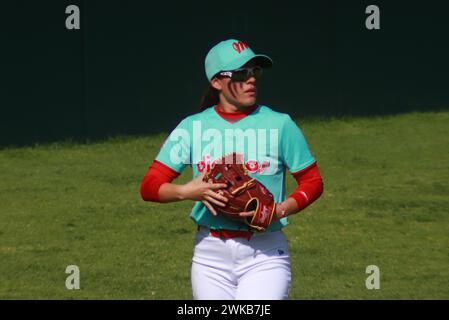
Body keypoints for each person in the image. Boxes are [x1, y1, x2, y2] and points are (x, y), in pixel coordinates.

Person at [140, 39, 324, 300]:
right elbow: (149, 186)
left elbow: (313, 181)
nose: (251, 80)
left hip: (265, 254)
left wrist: (280, 209)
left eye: (254, 72)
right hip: (209, 256)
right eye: (240, 74)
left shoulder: (280, 125)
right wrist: (187, 191)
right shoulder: (192, 127)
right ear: (217, 82)